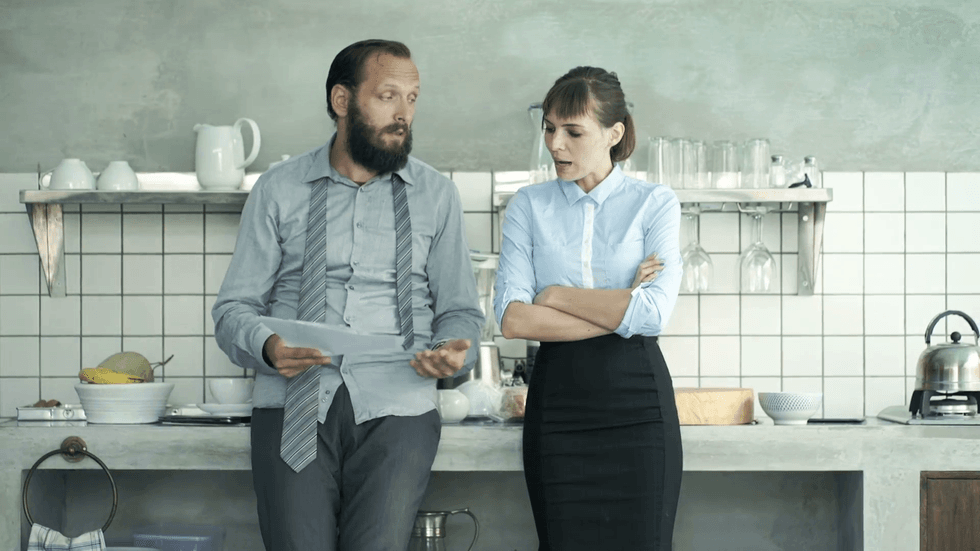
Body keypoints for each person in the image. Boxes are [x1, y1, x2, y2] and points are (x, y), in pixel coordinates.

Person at [212, 39, 484, 551]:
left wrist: (453, 350)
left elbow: (460, 312)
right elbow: (232, 310)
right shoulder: (277, 189)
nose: (404, 114)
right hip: (294, 404)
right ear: (342, 100)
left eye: (413, 98)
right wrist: (269, 347)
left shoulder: (437, 195)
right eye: (387, 96)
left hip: (399, 407)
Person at [493, 66, 683, 550]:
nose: (556, 144)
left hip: (638, 408)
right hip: (558, 410)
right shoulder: (527, 207)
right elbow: (513, 319)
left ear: (613, 133)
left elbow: (653, 315)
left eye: (573, 132)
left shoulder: (654, 204)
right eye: (550, 129)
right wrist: (621, 303)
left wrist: (554, 295)